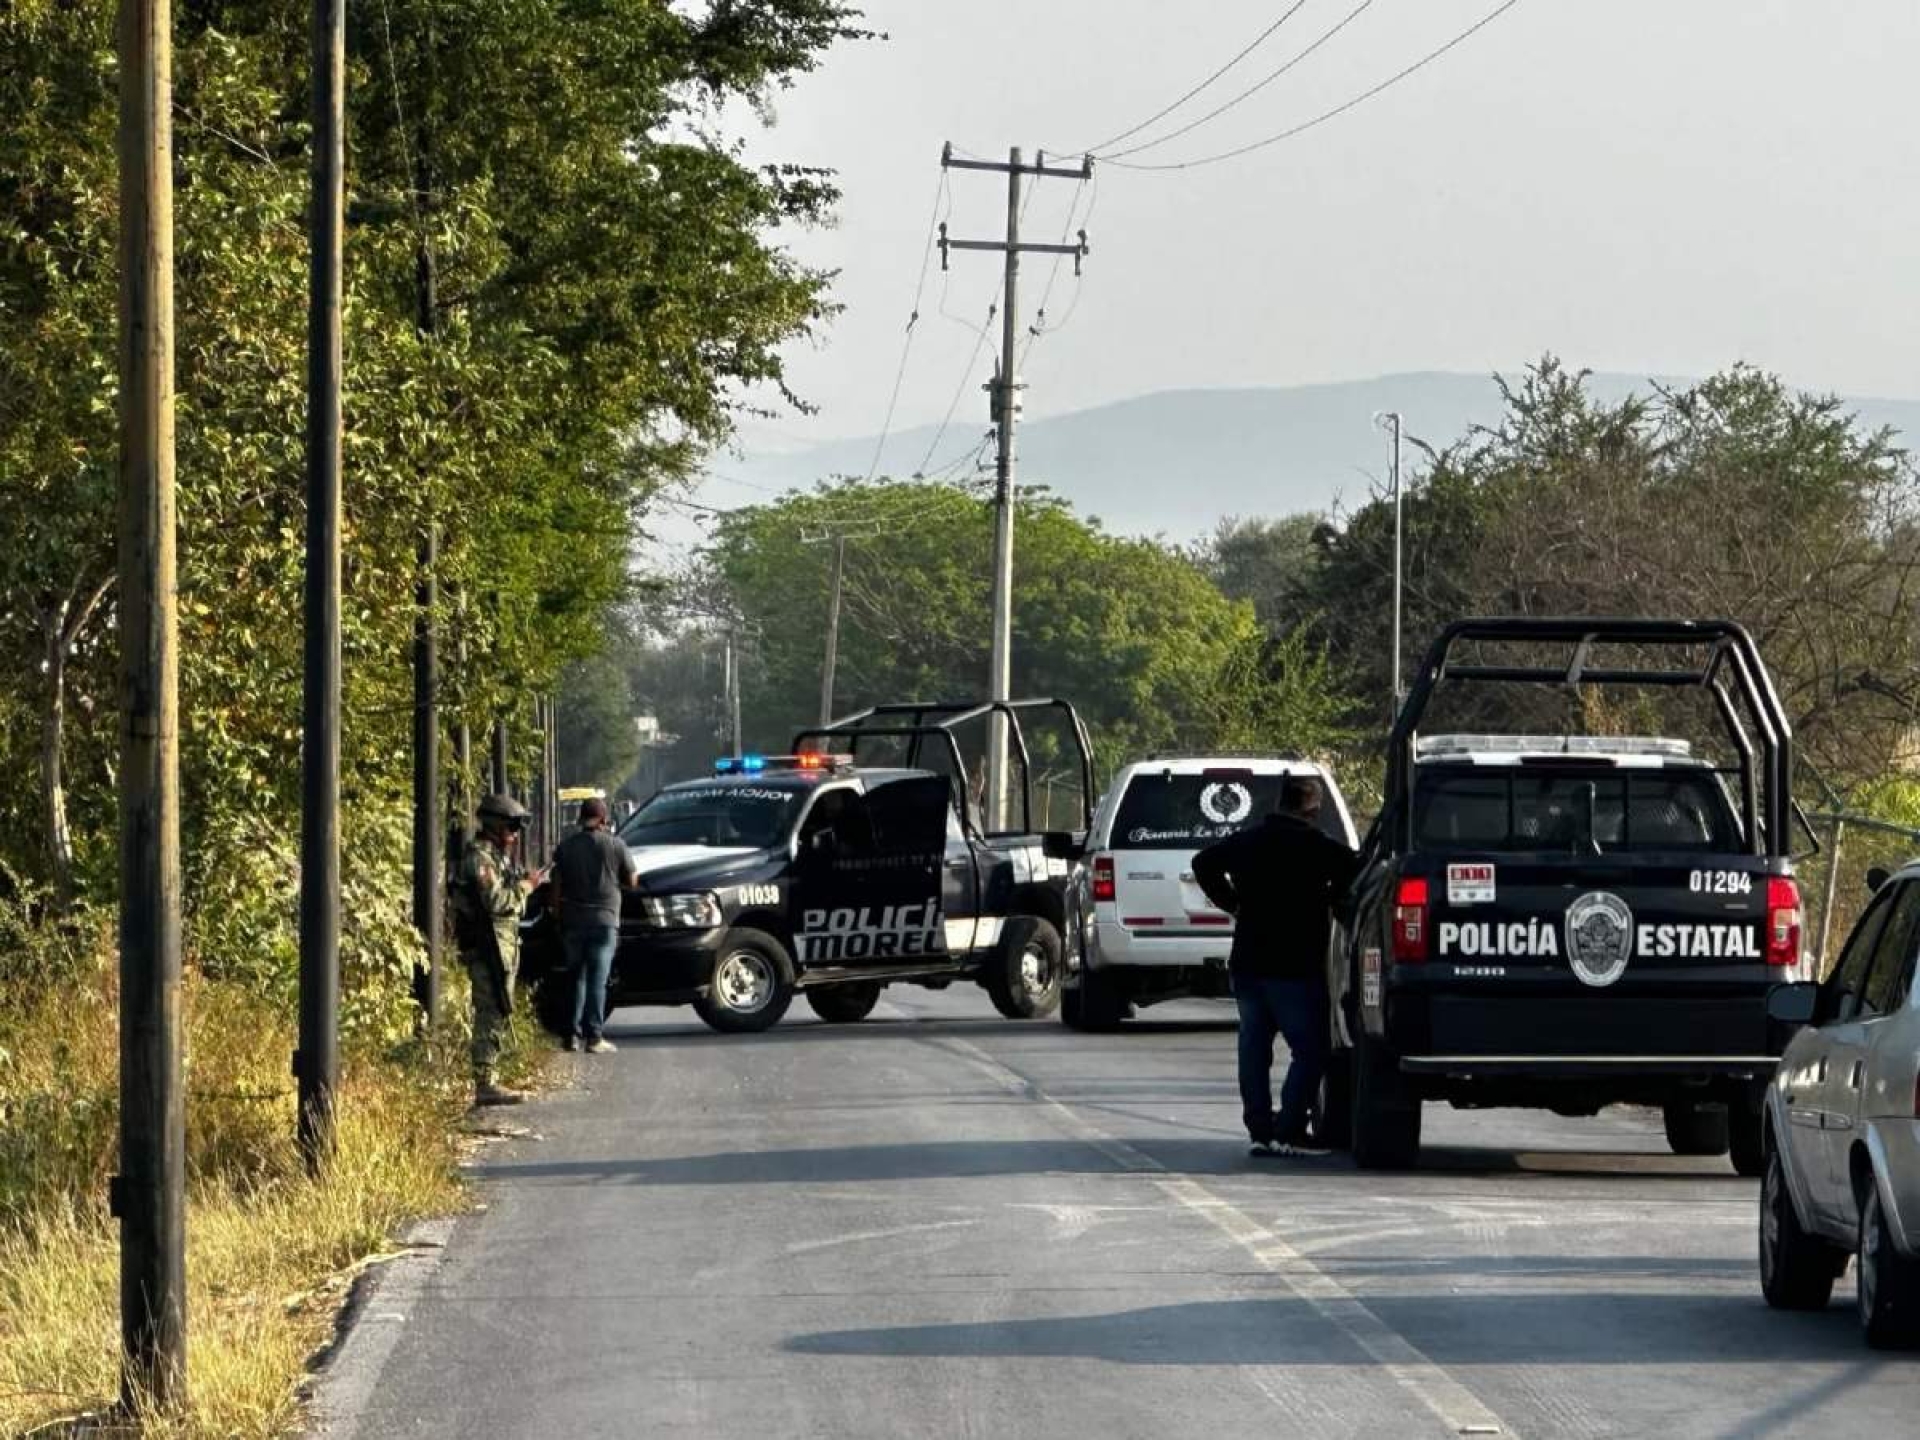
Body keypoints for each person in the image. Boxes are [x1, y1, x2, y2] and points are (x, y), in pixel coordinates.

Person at [1193, 775, 1361, 1158]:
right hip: (1294, 967)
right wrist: (1332, 898)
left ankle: (1259, 1129)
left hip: (1248, 963)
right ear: (1312, 809)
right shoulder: (1316, 846)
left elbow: (1203, 863)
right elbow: (1356, 868)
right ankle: (1288, 1130)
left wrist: (1233, 903)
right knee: (1311, 1051)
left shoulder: (1249, 841)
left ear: (1280, 803)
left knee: (1254, 1049)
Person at [451, 793, 543, 1107]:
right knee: (490, 1011)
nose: (515, 835)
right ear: (494, 826)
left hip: (501, 946)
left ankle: (490, 1076)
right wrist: (526, 887)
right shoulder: (479, 859)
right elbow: (496, 901)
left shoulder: (495, 858)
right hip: (487, 946)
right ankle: (485, 1083)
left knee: (499, 1010)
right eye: (511, 828)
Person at [551, 795, 639, 1053]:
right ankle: (594, 1037)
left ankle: (571, 1036)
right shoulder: (616, 845)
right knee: (597, 980)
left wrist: (556, 914)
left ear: (581, 818)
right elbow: (632, 880)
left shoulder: (566, 847)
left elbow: (556, 885)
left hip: (573, 921)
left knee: (575, 978)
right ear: (603, 819)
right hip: (605, 921)